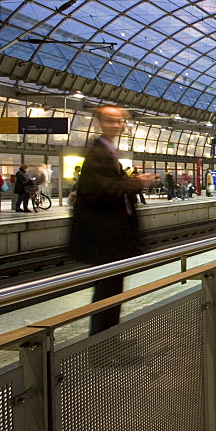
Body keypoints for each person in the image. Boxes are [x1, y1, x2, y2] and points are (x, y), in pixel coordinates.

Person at [69, 105, 155, 336]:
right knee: (107, 293)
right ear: (98, 122)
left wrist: (132, 181)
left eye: (119, 121)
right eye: (110, 120)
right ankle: (102, 348)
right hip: (104, 240)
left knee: (111, 292)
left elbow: (109, 187)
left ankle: (107, 342)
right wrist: (135, 183)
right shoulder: (97, 153)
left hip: (110, 239)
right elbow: (101, 191)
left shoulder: (108, 151)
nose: (115, 125)